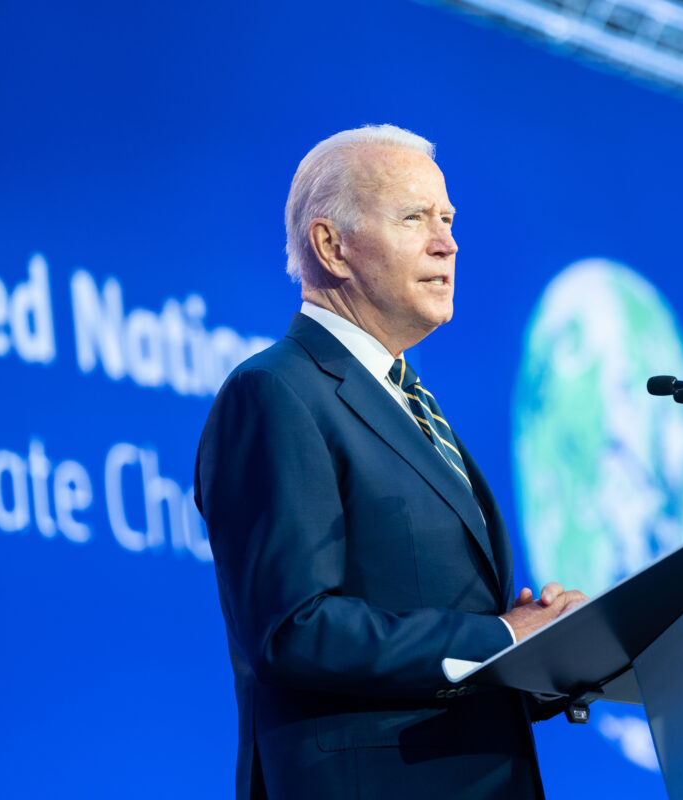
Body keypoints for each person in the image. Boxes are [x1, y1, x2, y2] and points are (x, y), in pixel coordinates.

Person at [194, 124, 585, 800]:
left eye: (448, 219)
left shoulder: (414, 405)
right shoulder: (278, 391)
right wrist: (495, 635)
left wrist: (543, 651)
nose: (448, 242)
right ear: (331, 246)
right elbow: (295, 630)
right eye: (415, 218)